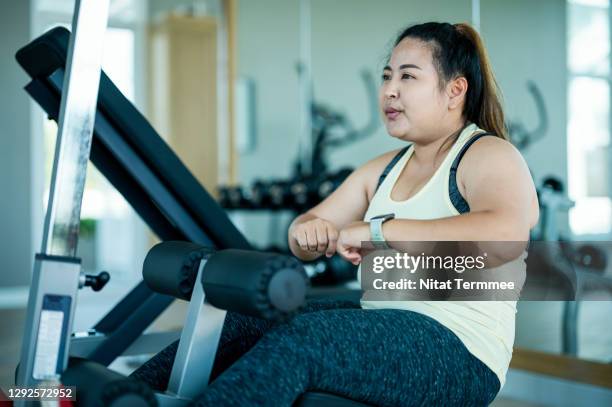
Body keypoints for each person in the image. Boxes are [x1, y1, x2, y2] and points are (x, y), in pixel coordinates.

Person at [131, 22, 539, 406]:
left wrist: (377, 231)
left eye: (408, 77)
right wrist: (311, 232)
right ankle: (119, 397)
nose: (389, 91)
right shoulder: (383, 168)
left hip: (461, 350)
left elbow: (505, 235)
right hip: (386, 321)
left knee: (305, 338)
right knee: (241, 321)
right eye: (386, 76)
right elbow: (302, 232)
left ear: (455, 90)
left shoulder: (487, 154)